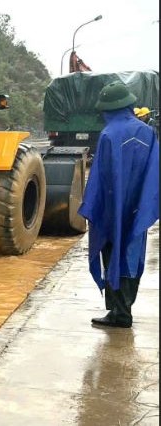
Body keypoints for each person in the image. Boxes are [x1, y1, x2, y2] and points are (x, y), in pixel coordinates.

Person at [78, 81, 159, 328]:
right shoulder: (147, 133)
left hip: (112, 210)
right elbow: (153, 173)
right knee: (131, 255)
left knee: (112, 254)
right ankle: (125, 309)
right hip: (137, 208)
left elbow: (101, 178)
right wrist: (143, 205)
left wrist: (96, 209)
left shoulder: (109, 134)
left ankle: (119, 313)